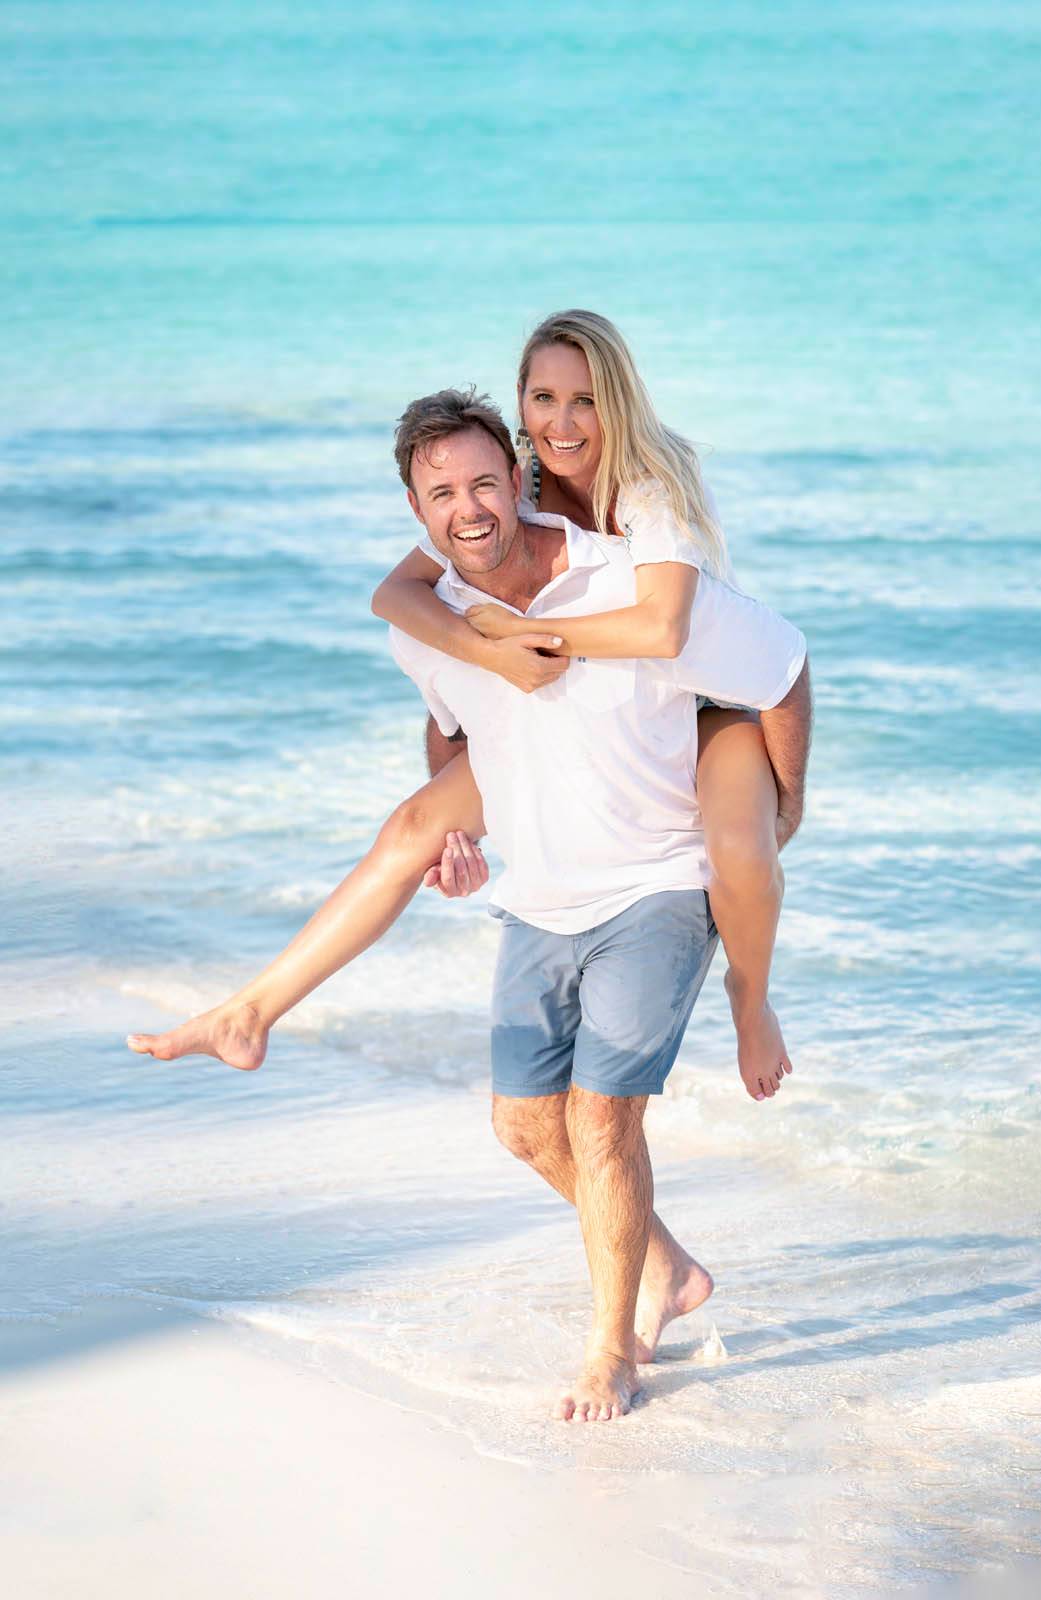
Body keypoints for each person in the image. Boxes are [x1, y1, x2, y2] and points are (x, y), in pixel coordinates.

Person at [130, 389, 812, 1421]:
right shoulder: (431, 623)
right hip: (541, 897)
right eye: (440, 493)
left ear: (518, 478)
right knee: (523, 1126)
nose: (468, 508)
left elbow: (777, 662)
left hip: (657, 887)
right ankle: (665, 1270)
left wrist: (774, 807)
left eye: (484, 482)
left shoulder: (623, 583)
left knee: (599, 1117)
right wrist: (459, 840)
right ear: (416, 511)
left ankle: (609, 1351)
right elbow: (449, 741)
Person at [371, 311, 802, 1103]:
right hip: (600, 695)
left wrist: (524, 633)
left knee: (741, 852)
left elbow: (664, 628)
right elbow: (397, 596)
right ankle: (257, 1007)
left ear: (618, 402)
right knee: (412, 827)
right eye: (542, 398)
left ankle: (750, 998)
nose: (561, 423)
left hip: (705, 695)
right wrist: (486, 651)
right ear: (520, 404)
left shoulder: (649, 481)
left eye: (585, 400)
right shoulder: (508, 484)